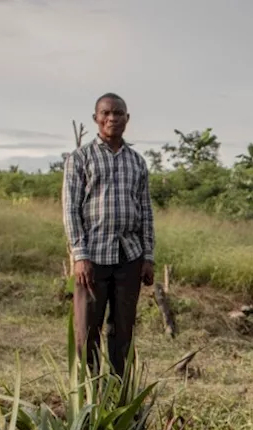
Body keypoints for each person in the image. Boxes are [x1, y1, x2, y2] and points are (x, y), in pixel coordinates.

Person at [62, 92, 155, 377]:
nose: (112, 118)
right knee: (87, 330)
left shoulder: (137, 162)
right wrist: (80, 256)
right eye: (106, 113)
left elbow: (146, 211)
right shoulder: (80, 159)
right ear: (96, 119)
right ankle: (87, 396)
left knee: (123, 330)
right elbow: (70, 210)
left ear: (127, 119)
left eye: (118, 113)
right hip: (93, 258)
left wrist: (148, 256)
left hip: (129, 255)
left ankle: (119, 395)